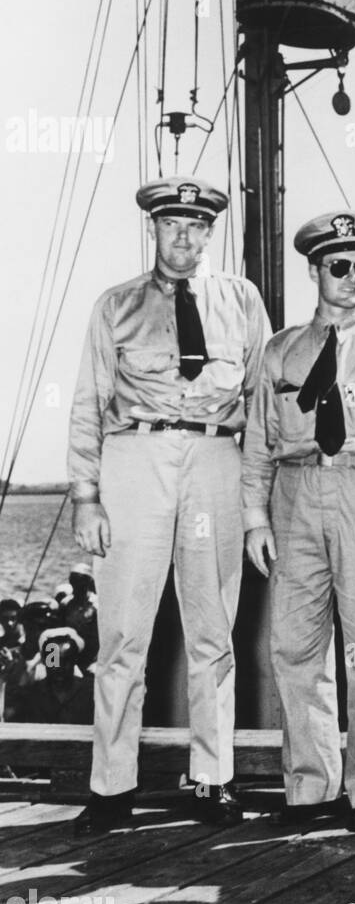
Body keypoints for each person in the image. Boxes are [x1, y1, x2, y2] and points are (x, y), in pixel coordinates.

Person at [68, 176, 271, 835]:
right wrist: (85, 498)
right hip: (137, 461)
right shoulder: (116, 305)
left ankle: (213, 779)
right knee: (124, 632)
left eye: (195, 225)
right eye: (170, 224)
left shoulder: (242, 302)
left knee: (213, 629)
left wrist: (258, 499)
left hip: (215, 460)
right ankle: (111, 785)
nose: (183, 236)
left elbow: (264, 405)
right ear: (153, 230)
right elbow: (87, 406)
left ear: (210, 232)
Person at [242, 211, 355, 830]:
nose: (352, 278)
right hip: (294, 496)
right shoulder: (279, 351)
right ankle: (310, 788)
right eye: (339, 267)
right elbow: (259, 443)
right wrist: (252, 520)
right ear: (315, 270)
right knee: (294, 646)